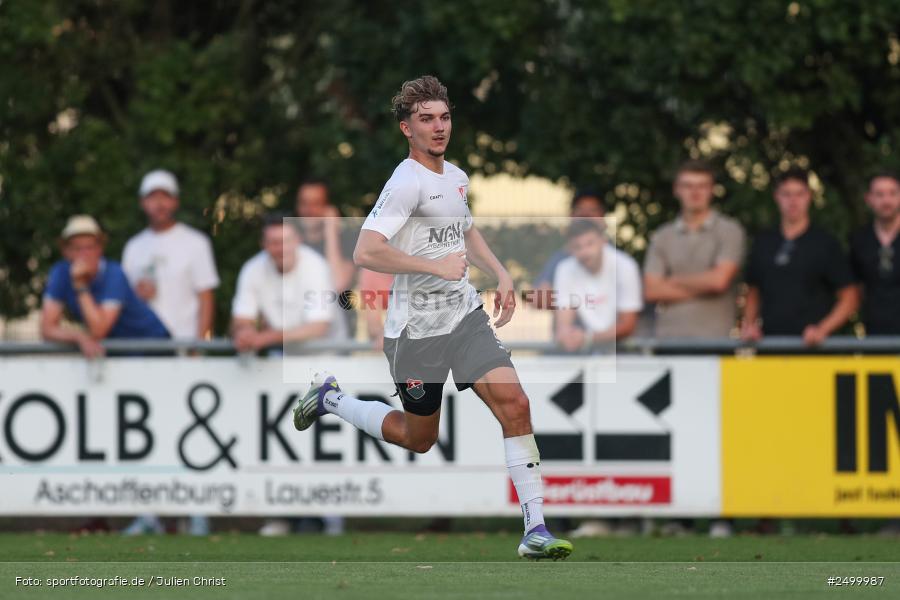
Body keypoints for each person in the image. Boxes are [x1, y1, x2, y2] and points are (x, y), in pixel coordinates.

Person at [291, 75, 573, 560]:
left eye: (444, 117)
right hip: (414, 333)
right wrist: (433, 266)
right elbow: (365, 251)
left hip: (463, 317)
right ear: (407, 128)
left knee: (517, 405)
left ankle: (535, 529)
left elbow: (464, 230)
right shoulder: (405, 182)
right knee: (418, 438)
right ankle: (331, 398)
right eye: (426, 120)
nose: (439, 127)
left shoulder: (456, 176)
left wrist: (501, 273)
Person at [742, 168, 858, 344]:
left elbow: (849, 296)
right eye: (786, 194)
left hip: (813, 349)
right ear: (777, 197)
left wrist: (822, 329)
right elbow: (753, 290)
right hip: (770, 347)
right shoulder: (763, 242)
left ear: (809, 196)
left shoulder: (825, 243)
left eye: (799, 194)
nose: (793, 201)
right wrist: (749, 325)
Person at [643, 160, 746, 338]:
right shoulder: (662, 236)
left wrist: (672, 280)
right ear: (677, 189)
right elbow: (651, 291)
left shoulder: (729, 230)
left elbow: (719, 281)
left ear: (712, 189)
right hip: (668, 341)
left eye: (702, 186)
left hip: (715, 342)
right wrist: (704, 285)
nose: (695, 192)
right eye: (688, 186)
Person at [41, 215, 169, 357]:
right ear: (66, 252)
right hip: (117, 349)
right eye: (77, 248)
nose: (84, 255)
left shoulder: (114, 273)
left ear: (100, 249)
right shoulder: (60, 272)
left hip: (154, 346)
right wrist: (80, 337)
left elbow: (98, 330)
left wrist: (80, 284)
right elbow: (47, 329)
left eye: (89, 247)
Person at [122, 169, 219, 341]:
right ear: (142, 202)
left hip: (184, 343)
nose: (159, 203)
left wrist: (199, 344)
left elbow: (206, 298)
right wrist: (137, 294)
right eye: (152, 197)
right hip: (141, 347)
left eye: (165, 196)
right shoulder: (133, 246)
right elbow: (124, 298)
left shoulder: (196, 243)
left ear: (175, 202)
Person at [231, 213, 336, 352]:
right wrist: (244, 332)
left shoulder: (317, 266)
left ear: (298, 240)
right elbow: (241, 318)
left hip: (324, 356)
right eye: (274, 242)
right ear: (263, 244)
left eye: (286, 241)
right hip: (279, 356)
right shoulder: (252, 269)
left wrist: (265, 338)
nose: (281, 249)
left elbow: (319, 327)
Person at [554, 219, 642, 351]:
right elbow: (564, 322)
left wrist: (587, 338)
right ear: (570, 249)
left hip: (626, 350)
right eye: (577, 246)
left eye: (590, 243)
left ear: (603, 241)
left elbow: (628, 325)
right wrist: (567, 335)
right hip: (587, 351)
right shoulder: (564, 269)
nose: (584, 252)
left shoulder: (625, 266)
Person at [295, 179, 356, 339]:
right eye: (304, 203)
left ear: (328, 207)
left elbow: (339, 284)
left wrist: (331, 231)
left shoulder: (346, 241)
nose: (309, 210)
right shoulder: (290, 242)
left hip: (337, 339)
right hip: (294, 333)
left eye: (316, 203)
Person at [850, 172, 900, 335]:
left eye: (892, 193)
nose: (886, 200)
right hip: (874, 336)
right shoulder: (859, 240)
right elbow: (854, 290)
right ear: (869, 199)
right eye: (879, 194)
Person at [533, 189, 606, 294]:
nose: (586, 215)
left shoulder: (617, 259)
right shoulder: (560, 258)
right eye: (581, 211)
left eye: (592, 211)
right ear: (571, 216)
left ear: (602, 218)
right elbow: (536, 297)